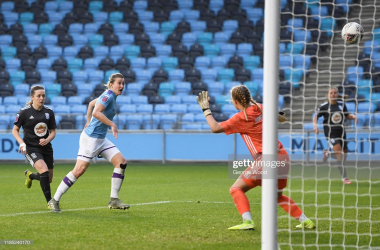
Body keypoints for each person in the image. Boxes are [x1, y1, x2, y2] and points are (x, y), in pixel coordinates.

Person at [196, 86, 315, 230]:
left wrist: (206, 110)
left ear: (235, 101)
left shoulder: (241, 118)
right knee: (277, 196)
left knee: (236, 189)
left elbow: (215, 128)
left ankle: (247, 222)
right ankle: (306, 221)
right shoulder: (260, 108)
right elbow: (281, 117)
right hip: (282, 155)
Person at [48, 73, 129, 212]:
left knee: (121, 162)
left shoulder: (110, 96)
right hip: (91, 139)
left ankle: (114, 200)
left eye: (123, 83)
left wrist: (87, 121)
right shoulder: (108, 96)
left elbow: (91, 104)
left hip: (101, 139)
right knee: (79, 171)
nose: (121, 86)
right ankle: (54, 200)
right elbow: (96, 112)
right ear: (111, 85)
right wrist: (112, 124)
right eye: (119, 83)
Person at [12, 85, 57, 208]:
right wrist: (22, 143)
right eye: (38, 96)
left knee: (48, 178)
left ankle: (30, 175)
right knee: (44, 171)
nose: (41, 98)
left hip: (46, 148)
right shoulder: (24, 112)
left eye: (43, 95)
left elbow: (53, 132)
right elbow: (15, 130)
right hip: (31, 147)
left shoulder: (49, 112)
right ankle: (50, 202)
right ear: (32, 97)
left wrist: (47, 139)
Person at [313, 87, 357, 185]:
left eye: (335, 93)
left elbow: (346, 115)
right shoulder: (324, 106)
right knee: (340, 154)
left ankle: (328, 154)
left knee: (343, 155)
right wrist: (315, 125)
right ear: (328, 95)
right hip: (330, 133)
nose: (333, 94)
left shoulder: (341, 105)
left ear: (337, 94)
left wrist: (352, 116)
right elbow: (315, 117)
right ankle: (345, 178)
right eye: (331, 93)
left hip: (342, 132)